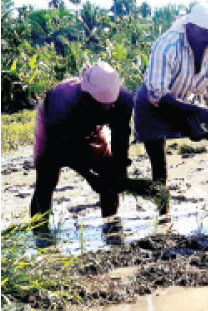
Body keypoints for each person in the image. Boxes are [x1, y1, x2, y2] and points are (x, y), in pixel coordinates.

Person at [133, 2, 208, 213]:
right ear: (190, 27)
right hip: (154, 106)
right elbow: (157, 94)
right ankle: (163, 212)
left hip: (185, 103)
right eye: (204, 33)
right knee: (159, 164)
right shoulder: (168, 45)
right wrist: (197, 111)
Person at [30, 61, 134, 238]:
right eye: (101, 104)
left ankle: (111, 229)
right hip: (55, 132)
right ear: (87, 95)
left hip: (92, 127)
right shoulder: (63, 101)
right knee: (46, 179)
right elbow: (61, 148)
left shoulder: (124, 99)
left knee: (110, 174)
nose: (107, 108)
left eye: (110, 104)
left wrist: (120, 168)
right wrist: (90, 176)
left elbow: (121, 136)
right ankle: (40, 235)